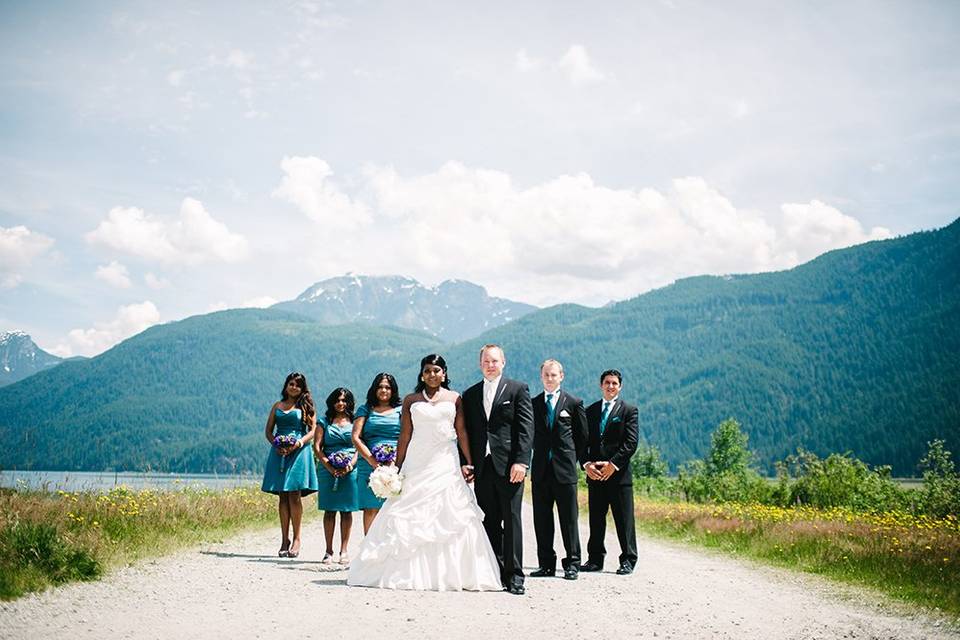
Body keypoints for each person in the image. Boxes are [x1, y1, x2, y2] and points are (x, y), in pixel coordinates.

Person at [347, 354, 501, 591]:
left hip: (445, 461)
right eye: (427, 370)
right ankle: (403, 572)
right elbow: (405, 435)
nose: (432, 374)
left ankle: (454, 574)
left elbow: (461, 432)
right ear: (422, 374)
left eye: (436, 370)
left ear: (444, 373)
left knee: (452, 513)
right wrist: (396, 468)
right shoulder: (411, 400)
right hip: (417, 460)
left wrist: (469, 462)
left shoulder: (455, 398)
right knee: (406, 510)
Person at [461, 344, 534, 595]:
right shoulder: (470, 394)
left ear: (503, 362)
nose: (490, 365)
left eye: (495, 361)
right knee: (489, 521)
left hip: (510, 466)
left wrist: (522, 462)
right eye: (486, 361)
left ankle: (515, 577)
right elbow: (466, 432)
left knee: (512, 521)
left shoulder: (517, 389)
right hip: (483, 467)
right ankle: (496, 571)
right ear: (480, 363)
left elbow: (526, 429)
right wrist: (466, 461)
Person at [529, 359, 588, 580]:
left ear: (561, 376)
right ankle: (546, 564)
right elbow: (529, 435)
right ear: (541, 377)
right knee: (542, 520)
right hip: (541, 470)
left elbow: (582, 437)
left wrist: (574, 459)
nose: (550, 378)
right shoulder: (533, 403)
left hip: (565, 471)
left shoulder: (574, 403)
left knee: (569, 519)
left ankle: (572, 563)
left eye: (554, 375)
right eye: (546, 375)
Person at [580, 369, 639, 575]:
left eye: (614, 383)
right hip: (595, 475)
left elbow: (631, 443)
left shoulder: (629, 411)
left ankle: (628, 560)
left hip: (619, 476)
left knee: (624, 521)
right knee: (596, 520)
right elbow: (582, 443)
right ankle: (595, 560)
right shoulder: (590, 411)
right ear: (601, 385)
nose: (610, 386)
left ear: (620, 386)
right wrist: (586, 464)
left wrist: (612, 465)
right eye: (607, 383)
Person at [261, 372, 319, 558]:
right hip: (279, 454)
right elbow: (269, 431)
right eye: (291, 384)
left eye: (298, 385)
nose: (294, 387)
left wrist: (298, 443)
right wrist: (276, 444)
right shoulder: (277, 406)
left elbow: (313, 430)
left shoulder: (306, 405)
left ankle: (297, 539)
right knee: (283, 496)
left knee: (294, 495)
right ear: (286, 385)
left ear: (302, 388)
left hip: (299, 452)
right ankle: (284, 539)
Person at [352, 372, 402, 533]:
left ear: (393, 390)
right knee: (371, 507)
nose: (384, 390)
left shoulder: (401, 410)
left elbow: (405, 436)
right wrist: (372, 461)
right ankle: (370, 548)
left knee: (393, 507)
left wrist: (394, 460)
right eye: (380, 387)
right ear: (374, 389)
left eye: (387, 387)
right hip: (369, 464)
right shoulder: (365, 409)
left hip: (395, 464)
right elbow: (356, 437)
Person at [315, 387, 359, 565]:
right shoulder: (324, 422)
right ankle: (328, 550)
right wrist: (329, 466)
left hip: (350, 469)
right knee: (329, 510)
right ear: (332, 402)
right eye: (338, 400)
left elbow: (359, 446)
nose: (341, 403)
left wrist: (351, 464)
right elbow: (317, 447)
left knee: (347, 511)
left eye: (344, 400)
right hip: (328, 470)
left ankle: (344, 550)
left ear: (349, 403)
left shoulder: (355, 421)